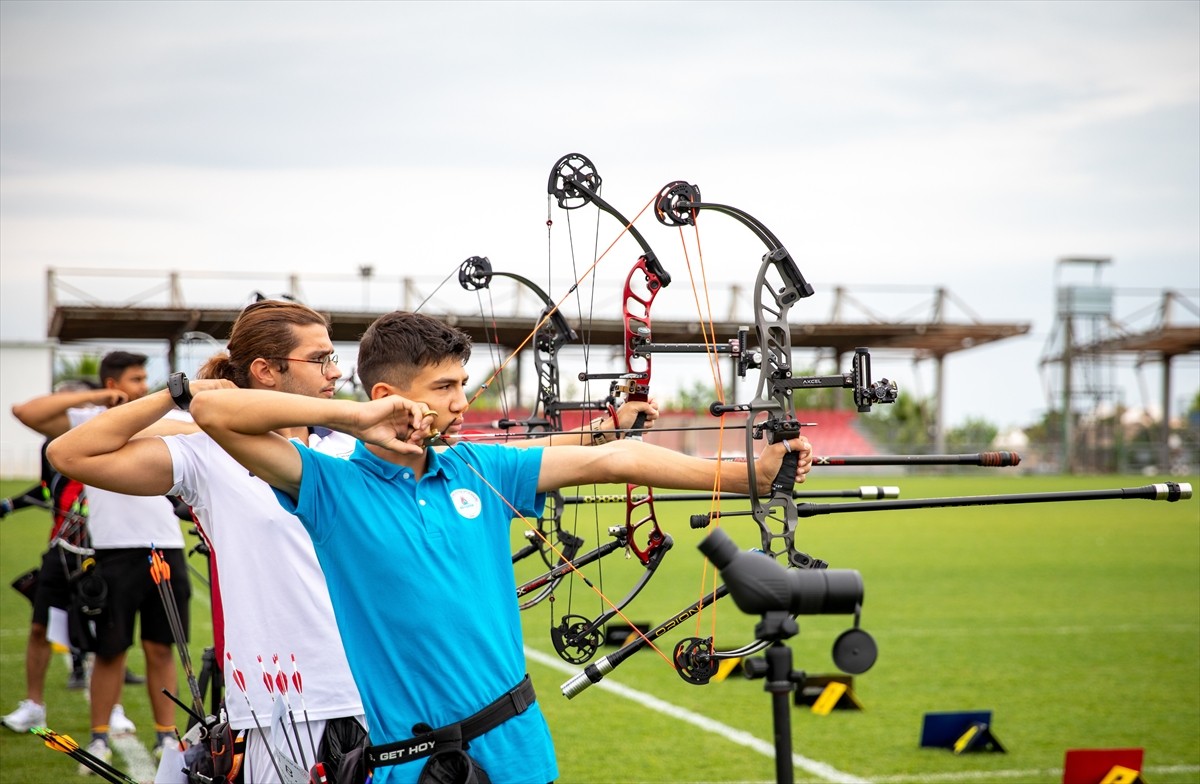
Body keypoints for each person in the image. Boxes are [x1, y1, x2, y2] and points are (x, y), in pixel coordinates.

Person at [189, 311, 812, 784]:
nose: (462, 402)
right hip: (412, 763)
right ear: (388, 397)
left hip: (518, 746)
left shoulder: (475, 469)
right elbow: (213, 410)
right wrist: (355, 419)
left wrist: (744, 476)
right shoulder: (329, 484)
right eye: (444, 388)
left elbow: (615, 457)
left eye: (464, 384)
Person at [12, 352, 191, 770]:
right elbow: (26, 412)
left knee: (162, 647)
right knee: (110, 650)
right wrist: (101, 397)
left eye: (147, 377)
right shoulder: (89, 420)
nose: (144, 384)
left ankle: (167, 737)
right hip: (113, 550)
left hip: (166, 545)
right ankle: (99, 738)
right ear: (112, 382)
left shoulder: (158, 416)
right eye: (135, 377)